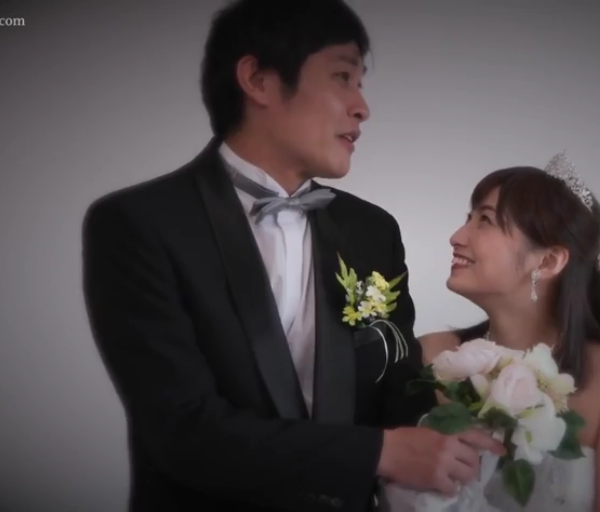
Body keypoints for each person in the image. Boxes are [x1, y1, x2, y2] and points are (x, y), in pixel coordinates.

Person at [80, 1, 503, 511]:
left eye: (361, 84)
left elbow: (395, 392)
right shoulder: (139, 223)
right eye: (342, 77)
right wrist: (379, 453)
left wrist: (480, 420)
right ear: (257, 80)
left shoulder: (372, 230)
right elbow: (181, 431)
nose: (362, 107)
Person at [385, 152, 600, 512]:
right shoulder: (429, 356)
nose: (456, 237)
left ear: (548, 261)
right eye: (468, 218)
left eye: (485, 220)